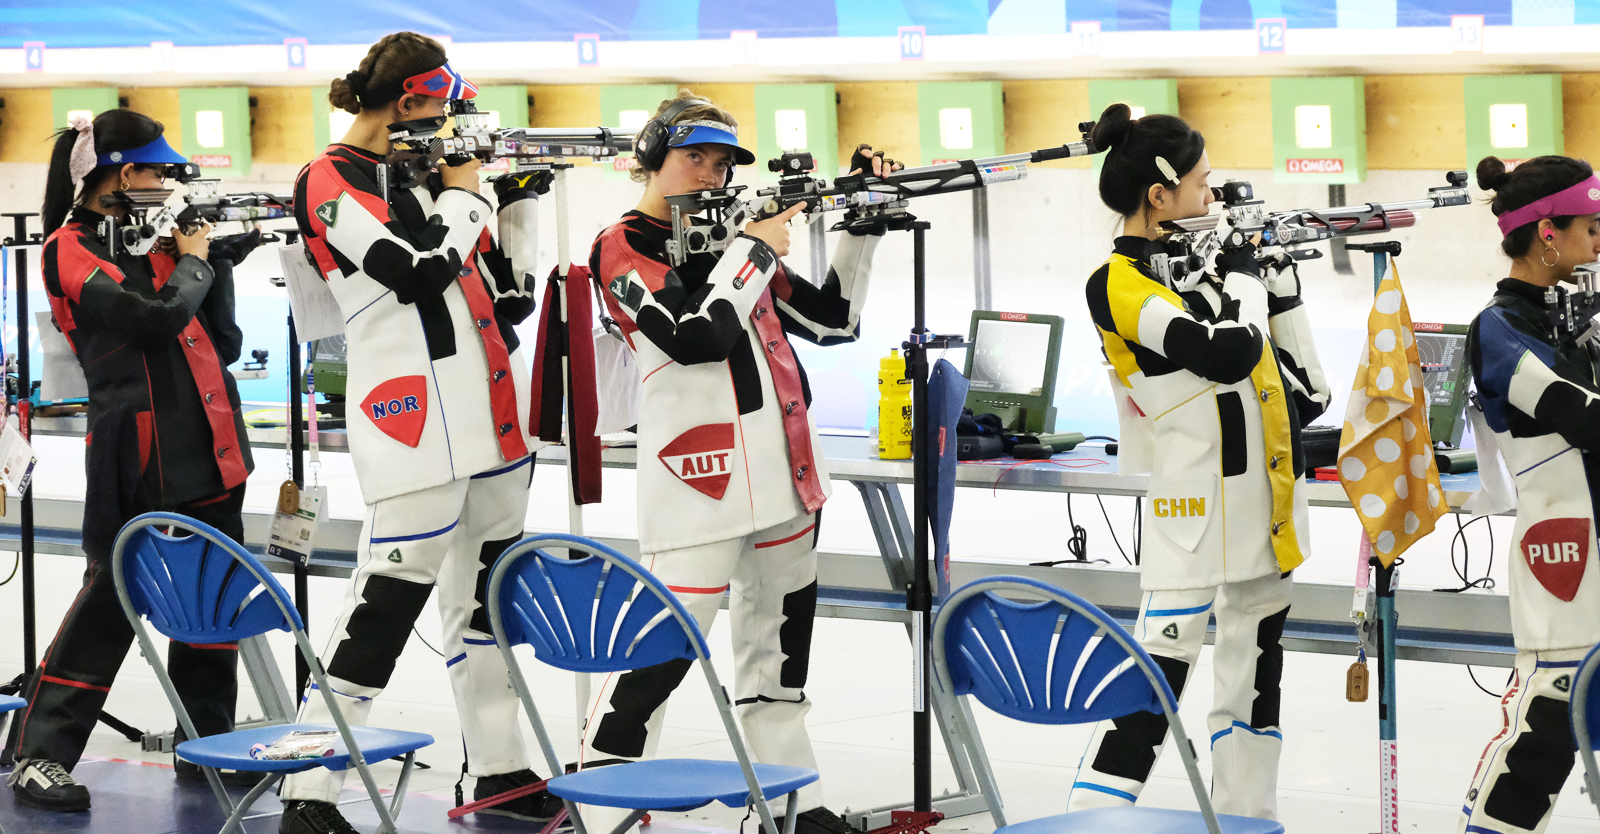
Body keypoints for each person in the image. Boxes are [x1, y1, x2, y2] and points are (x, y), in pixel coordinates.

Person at [579, 90, 898, 834]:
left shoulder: (731, 245)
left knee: (778, 658)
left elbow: (833, 320)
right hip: (699, 482)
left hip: (785, 477)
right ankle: (598, 803)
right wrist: (754, 248)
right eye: (695, 157)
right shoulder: (619, 245)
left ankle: (791, 806)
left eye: (722, 163)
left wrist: (862, 232)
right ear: (651, 159)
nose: (710, 175)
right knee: (660, 652)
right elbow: (695, 335)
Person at [277, 32, 556, 834]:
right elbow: (416, 268)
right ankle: (310, 788)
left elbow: (504, 304)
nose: (444, 123)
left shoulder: (424, 177)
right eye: (439, 106)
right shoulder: (329, 178)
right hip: (413, 422)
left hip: (492, 424)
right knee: (385, 604)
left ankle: (498, 769)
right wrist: (468, 194)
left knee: (489, 607)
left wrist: (515, 208)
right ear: (408, 100)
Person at [1068, 103, 1329, 820]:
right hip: (1193, 519)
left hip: (1265, 515)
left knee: (1254, 689)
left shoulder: (1206, 279)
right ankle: (1088, 823)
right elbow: (1223, 354)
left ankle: (1247, 818)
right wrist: (1244, 277)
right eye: (1202, 185)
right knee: (1146, 697)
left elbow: (1309, 397)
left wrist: (1281, 290)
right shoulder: (1117, 284)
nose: (1211, 198)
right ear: (1160, 195)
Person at [6, 109, 255, 811]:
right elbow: (151, 321)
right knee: (108, 608)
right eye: (159, 169)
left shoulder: (158, 246)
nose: (170, 180)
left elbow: (223, 342)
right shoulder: (70, 246)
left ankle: (203, 746)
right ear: (120, 175)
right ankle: (39, 753)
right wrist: (198, 261)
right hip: (137, 455)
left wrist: (216, 262)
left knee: (212, 606)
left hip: (213, 448)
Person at [1459, 154, 1600, 834]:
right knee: (1546, 733)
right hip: (1563, 554)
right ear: (1549, 233)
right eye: (1590, 228)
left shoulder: (1569, 318)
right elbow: (1583, 416)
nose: (1598, 241)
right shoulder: (1500, 328)